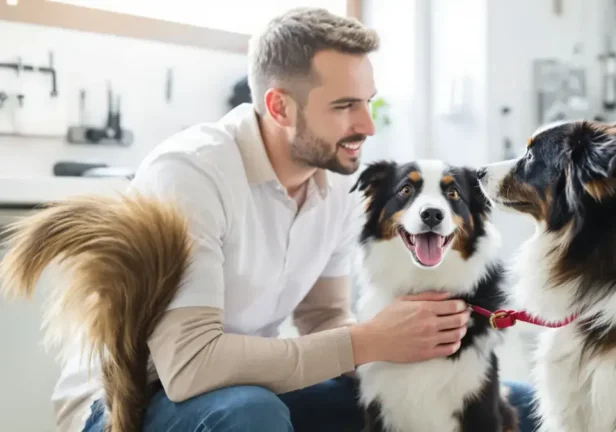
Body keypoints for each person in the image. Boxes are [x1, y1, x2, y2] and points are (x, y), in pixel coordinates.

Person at [66, 7, 537, 432]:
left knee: (519, 404)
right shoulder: (190, 174)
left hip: (252, 389)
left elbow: (322, 317)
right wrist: (368, 341)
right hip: (133, 404)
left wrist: (419, 358)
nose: (368, 126)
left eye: (367, 101)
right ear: (279, 107)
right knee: (250, 412)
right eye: (344, 106)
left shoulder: (332, 179)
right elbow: (191, 366)